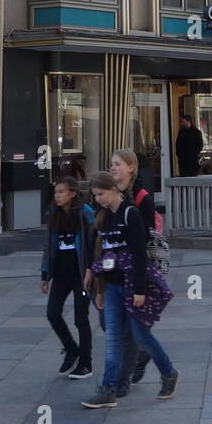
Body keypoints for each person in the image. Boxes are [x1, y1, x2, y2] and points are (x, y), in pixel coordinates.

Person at [82, 173, 178, 408]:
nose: (99, 200)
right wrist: (100, 289)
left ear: (114, 190)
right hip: (113, 286)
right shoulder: (104, 218)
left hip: (132, 285)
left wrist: (139, 290)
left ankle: (168, 372)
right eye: (95, 196)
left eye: (101, 194)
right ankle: (109, 390)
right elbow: (105, 256)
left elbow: (138, 255)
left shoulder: (130, 213)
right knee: (113, 339)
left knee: (140, 335)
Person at [109, 149, 157, 391]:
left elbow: (146, 238)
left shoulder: (141, 197)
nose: (113, 167)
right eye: (111, 164)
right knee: (112, 325)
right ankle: (141, 353)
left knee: (127, 328)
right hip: (114, 270)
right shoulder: (109, 194)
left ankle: (122, 379)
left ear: (131, 168)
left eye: (117, 164)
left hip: (135, 269)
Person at [41, 176, 96, 379]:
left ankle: (86, 363)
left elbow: (93, 243)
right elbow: (48, 246)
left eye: (61, 192)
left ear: (73, 193)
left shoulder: (86, 213)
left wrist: (91, 269)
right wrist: (45, 274)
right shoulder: (54, 214)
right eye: (56, 192)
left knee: (80, 318)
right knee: (52, 313)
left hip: (82, 274)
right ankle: (71, 349)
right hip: (61, 273)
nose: (57, 195)